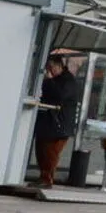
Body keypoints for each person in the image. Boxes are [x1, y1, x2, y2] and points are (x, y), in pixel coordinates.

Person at [32, 55, 80, 188]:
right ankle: (43, 176)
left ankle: (47, 179)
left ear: (59, 66)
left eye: (51, 67)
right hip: (49, 123)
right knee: (41, 151)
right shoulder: (58, 80)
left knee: (50, 152)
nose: (49, 71)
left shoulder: (68, 81)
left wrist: (48, 80)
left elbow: (60, 95)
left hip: (59, 125)